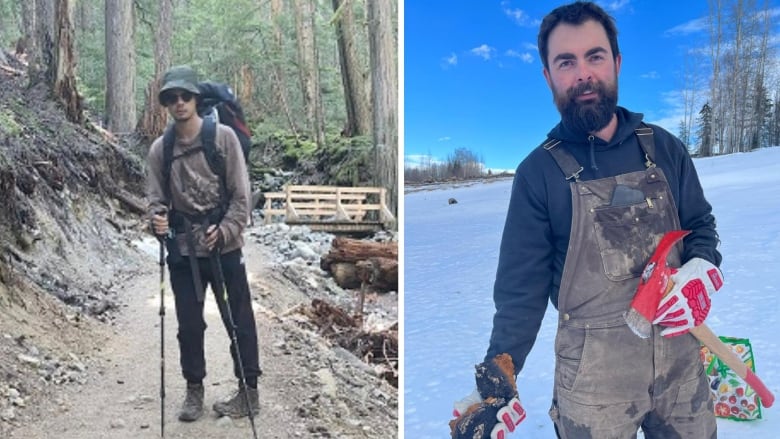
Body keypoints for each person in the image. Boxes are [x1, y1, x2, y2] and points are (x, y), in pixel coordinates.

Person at [451, 2, 723, 438]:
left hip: (681, 368)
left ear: (615, 62)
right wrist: (498, 382)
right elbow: (521, 290)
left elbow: (700, 224)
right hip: (594, 384)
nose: (583, 74)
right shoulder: (537, 174)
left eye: (595, 56)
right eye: (566, 62)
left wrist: (702, 268)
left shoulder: (666, 149)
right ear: (548, 77)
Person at [146, 65, 261, 422]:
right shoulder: (159, 150)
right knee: (189, 326)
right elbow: (154, 202)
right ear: (165, 103)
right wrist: (157, 221)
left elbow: (242, 198)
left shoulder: (223, 138)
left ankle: (249, 393)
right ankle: (194, 390)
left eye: (185, 96)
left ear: (196, 99)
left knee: (238, 320)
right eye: (171, 98)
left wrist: (225, 230)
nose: (179, 103)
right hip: (183, 252)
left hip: (225, 250)